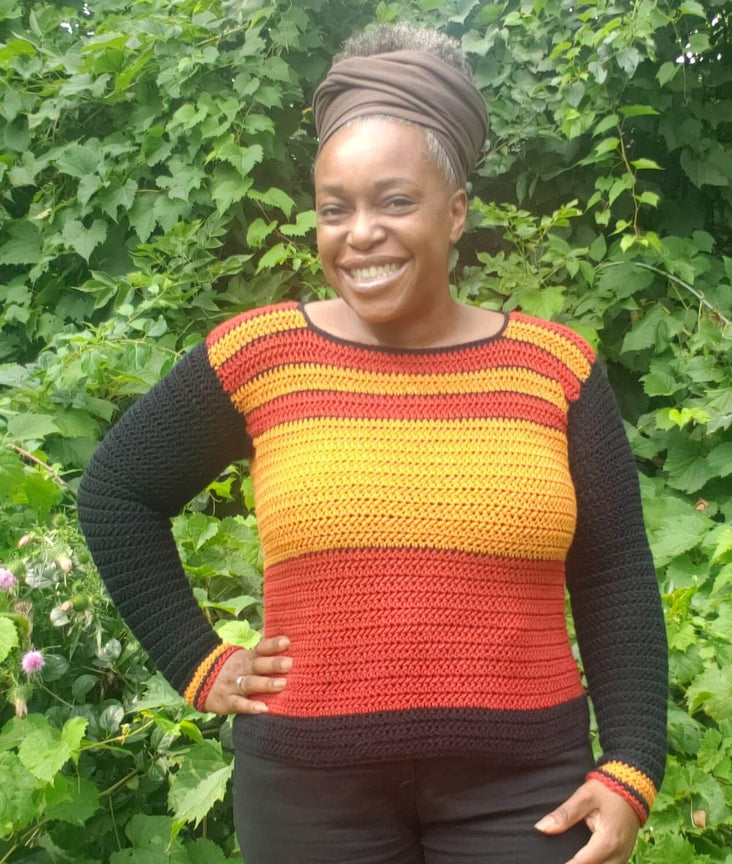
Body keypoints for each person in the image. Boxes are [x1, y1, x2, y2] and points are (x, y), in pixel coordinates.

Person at [78, 23, 668, 864]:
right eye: (335, 208)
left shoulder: (556, 369)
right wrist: (198, 660)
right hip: (309, 800)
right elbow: (117, 494)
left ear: (455, 212)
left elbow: (614, 572)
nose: (360, 233)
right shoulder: (259, 356)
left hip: (526, 793)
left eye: (395, 202)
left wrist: (632, 766)